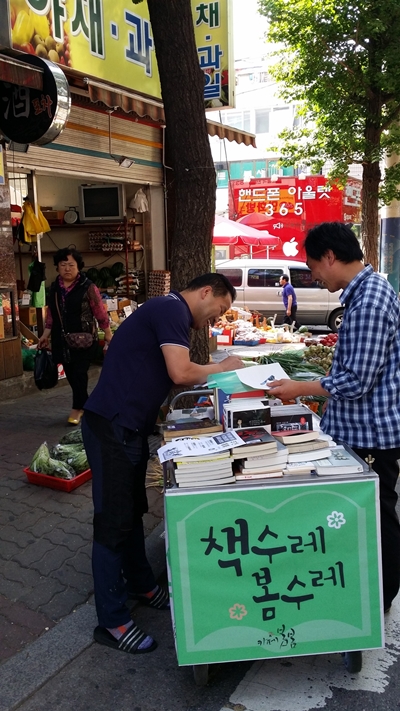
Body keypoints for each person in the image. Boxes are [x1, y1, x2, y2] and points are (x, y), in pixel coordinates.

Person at [82, 273, 244, 655]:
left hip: (131, 427)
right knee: (112, 521)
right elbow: (181, 373)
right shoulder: (172, 309)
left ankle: (142, 583)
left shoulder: (170, 312)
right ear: (206, 292)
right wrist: (223, 367)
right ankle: (112, 620)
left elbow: (172, 378)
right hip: (111, 425)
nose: (214, 320)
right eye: (218, 310)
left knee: (132, 511)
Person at [268, 222, 400, 614]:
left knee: (378, 514)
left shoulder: (370, 300)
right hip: (362, 427)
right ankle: (372, 585)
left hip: (371, 432)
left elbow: (356, 381)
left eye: (313, 267)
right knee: (371, 511)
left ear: (330, 256)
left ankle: (382, 594)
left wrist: (298, 388)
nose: (315, 276)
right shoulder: (367, 292)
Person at [37, 248, 112, 425]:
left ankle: (77, 409)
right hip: (61, 340)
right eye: (63, 265)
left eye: (71, 265)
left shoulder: (88, 287)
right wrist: (45, 334)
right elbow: (51, 314)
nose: (67, 268)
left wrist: (108, 334)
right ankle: (86, 406)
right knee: (71, 374)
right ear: (57, 268)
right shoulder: (55, 288)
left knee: (79, 373)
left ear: (79, 267)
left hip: (83, 339)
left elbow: (100, 312)